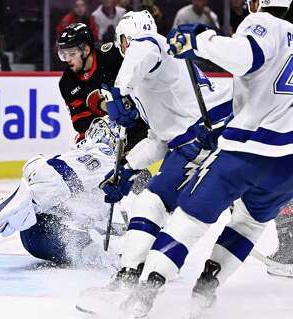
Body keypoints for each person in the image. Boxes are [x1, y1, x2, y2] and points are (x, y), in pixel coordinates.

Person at [119, 0, 293, 317]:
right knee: (249, 225)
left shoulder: (265, 24)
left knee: (189, 219)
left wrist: (200, 39)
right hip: (289, 165)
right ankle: (206, 287)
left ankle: (145, 292)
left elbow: (245, 57)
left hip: (247, 151)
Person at [75, 10, 232, 315]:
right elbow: (159, 140)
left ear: (125, 39)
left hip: (214, 132)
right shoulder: (152, 82)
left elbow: (145, 45)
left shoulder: (155, 46)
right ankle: (130, 276)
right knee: (150, 203)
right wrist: (126, 169)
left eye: (123, 42)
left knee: (187, 213)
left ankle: (138, 281)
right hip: (195, 139)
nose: (123, 48)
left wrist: (119, 91)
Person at [0, 117, 150, 265]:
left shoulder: (105, 156)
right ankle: (124, 254)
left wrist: (29, 201)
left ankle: (121, 253)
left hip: (42, 235)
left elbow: (56, 175)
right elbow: (59, 175)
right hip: (49, 233)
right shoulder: (106, 157)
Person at [57, 23, 148, 147]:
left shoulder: (112, 57)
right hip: (108, 134)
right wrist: (105, 126)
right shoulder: (67, 82)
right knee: (82, 144)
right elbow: (80, 121)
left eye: (72, 54)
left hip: (139, 121)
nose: (67, 59)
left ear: (86, 50)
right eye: (64, 54)